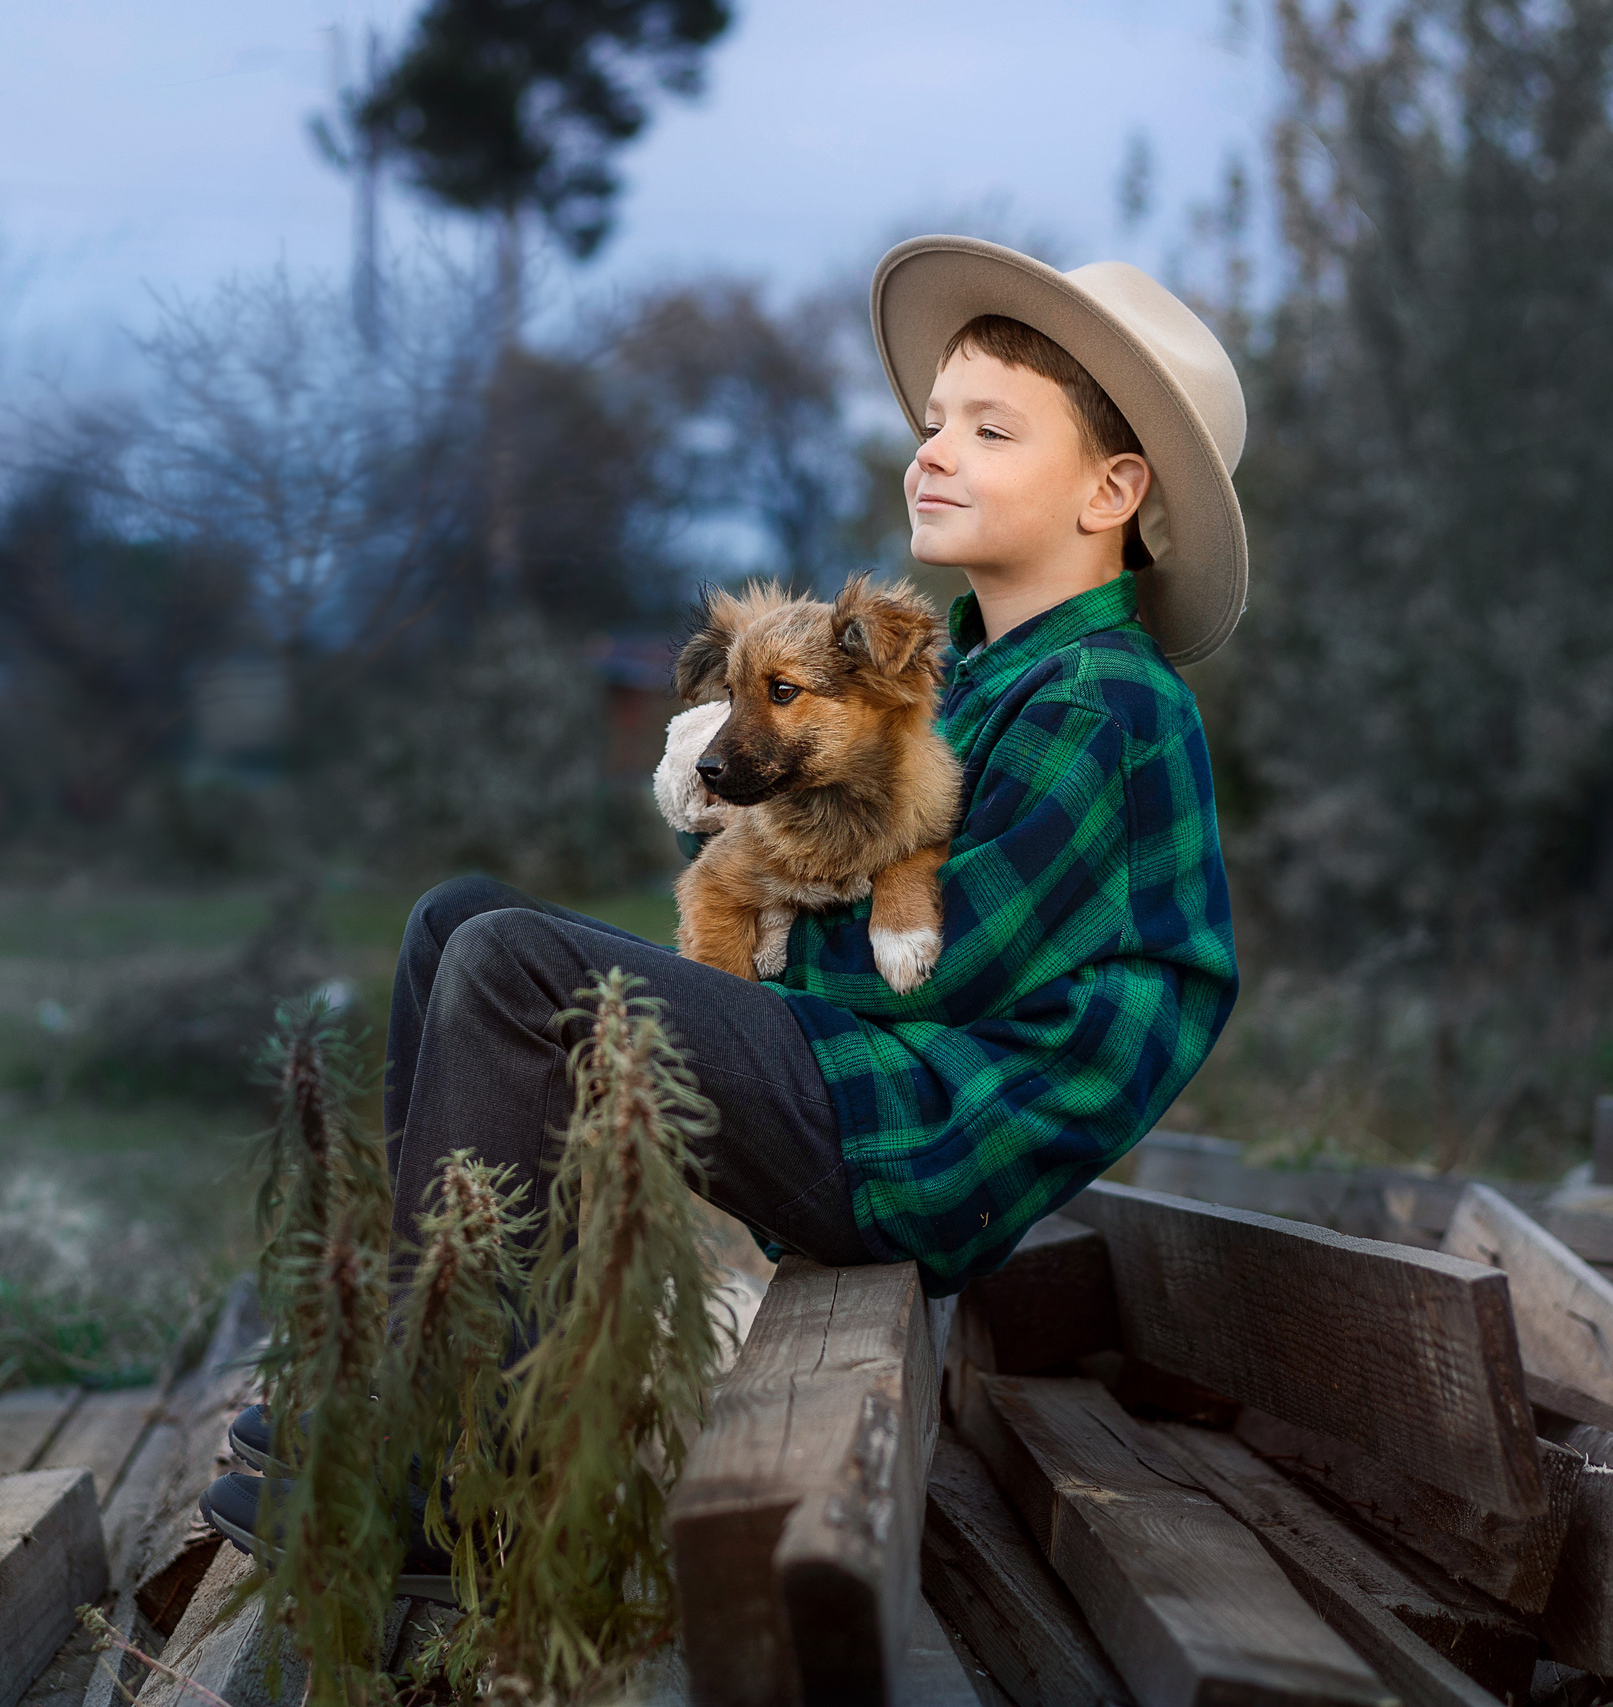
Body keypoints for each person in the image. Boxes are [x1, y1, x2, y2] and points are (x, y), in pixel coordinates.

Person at [202, 234, 1245, 1557]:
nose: (931, 451)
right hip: (864, 1076)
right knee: (459, 921)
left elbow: (942, 969)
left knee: (519, 970)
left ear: (1112, 489)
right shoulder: (971, 680)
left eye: (990, 430)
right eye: (932, 421)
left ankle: (425, 1462)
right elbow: (824, 857)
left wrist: (716, 978)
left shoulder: (1104, 701)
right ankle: (455, 1387)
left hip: (922, 1133)